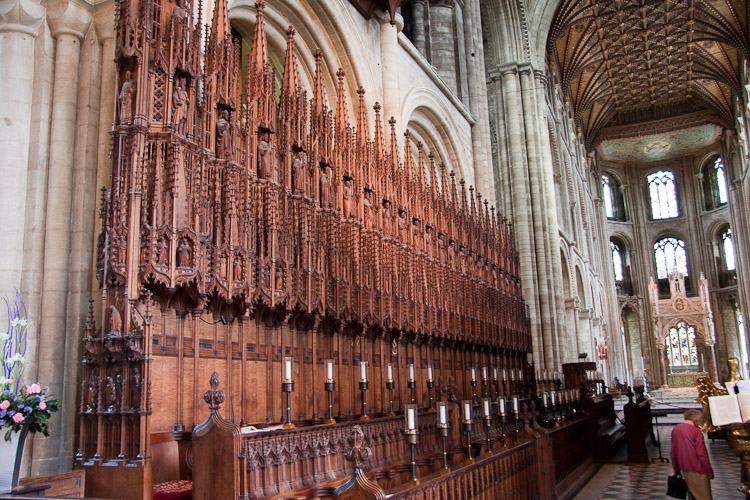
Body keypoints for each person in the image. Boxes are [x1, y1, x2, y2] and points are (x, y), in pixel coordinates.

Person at [670, 409, 714, 500]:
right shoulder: (696, 431)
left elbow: (673, 452)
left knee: (692, 495)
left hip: (683, 466)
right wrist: (709, 470)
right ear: (696, 420)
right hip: (698, 468)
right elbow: (702, 454)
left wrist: (676, 468)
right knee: (703, 496)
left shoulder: (676, 429)